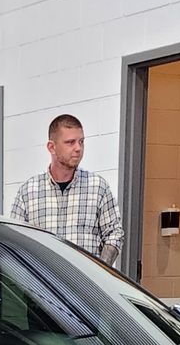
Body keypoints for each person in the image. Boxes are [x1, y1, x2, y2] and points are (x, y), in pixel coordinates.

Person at [10, 113, 122, 266]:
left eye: (81, 142)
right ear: (52, 147)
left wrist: (101, 270)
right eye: (70, 142)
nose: (78, 148)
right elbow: (15, 241)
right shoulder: (28, 192)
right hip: (42, 285)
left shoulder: (98, 187)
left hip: (85, 285)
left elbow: (114, 234)